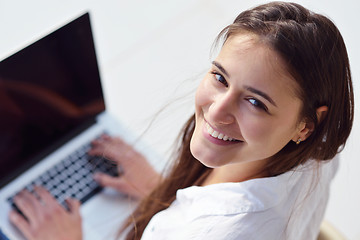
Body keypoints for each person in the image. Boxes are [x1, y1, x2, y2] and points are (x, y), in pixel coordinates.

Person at [9, 1, 354, 240]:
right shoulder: (318, 151)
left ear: (306, 124)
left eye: (255, 102)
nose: (217, 112)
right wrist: (159, 190)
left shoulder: (208, 232)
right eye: (220, 77)